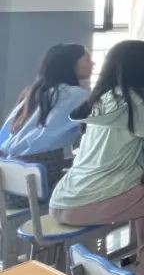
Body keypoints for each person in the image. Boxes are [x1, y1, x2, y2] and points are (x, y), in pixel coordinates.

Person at [49, 41, 144, 275]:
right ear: (141, 68)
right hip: (93, 201)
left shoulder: (101, 98)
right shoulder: (137, 99)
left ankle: (143, 255)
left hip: (64, 197)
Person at [0, 44, 92, 198]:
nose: (92, 63)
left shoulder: (34, 93)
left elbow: (4, 136)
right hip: (37, 183)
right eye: (87, 59)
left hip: (8, 181)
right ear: (71, 63)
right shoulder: (77, 96)